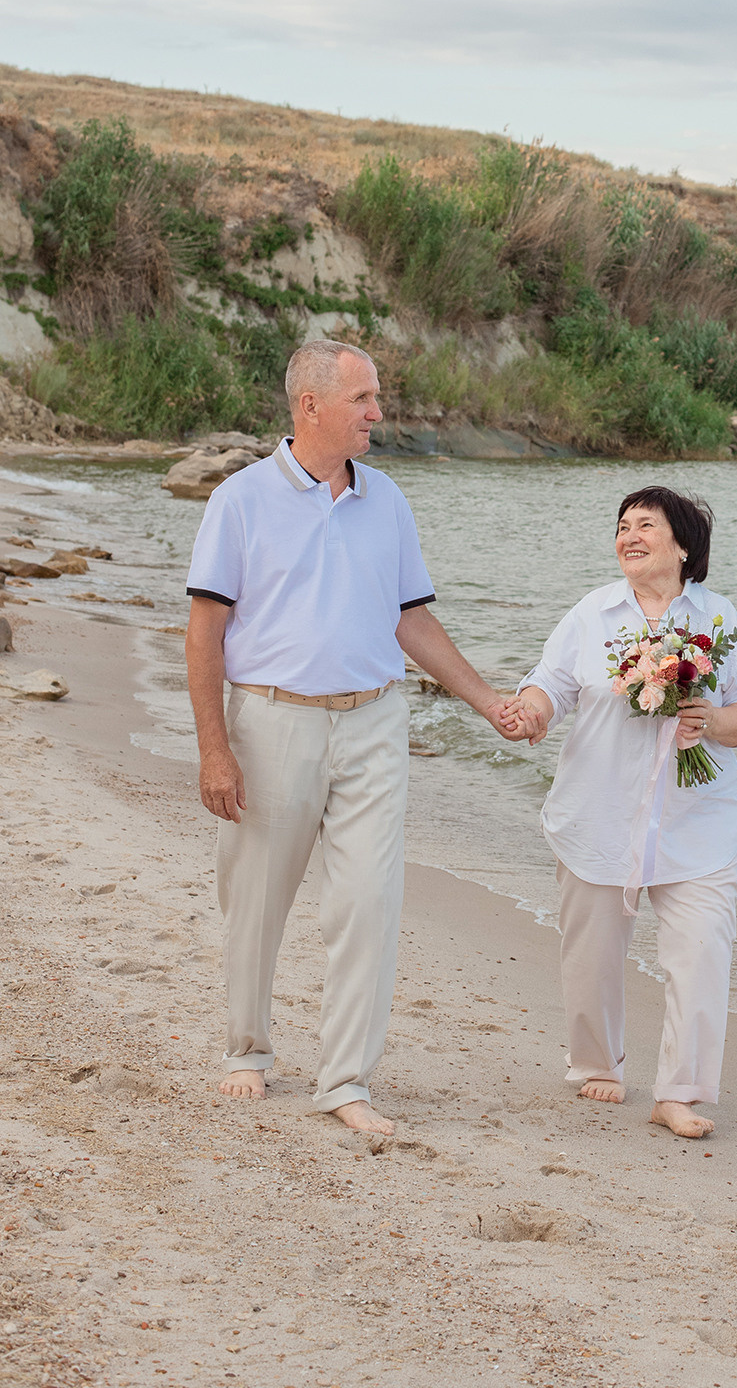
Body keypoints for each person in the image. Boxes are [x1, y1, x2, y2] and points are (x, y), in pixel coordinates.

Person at [185, 339, 535, 1134]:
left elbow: (411, 618)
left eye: (377, 397)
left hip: (376, 722)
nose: (379, 412)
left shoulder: (389, 502)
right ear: (311, 406)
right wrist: (215, 747)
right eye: (365, 399)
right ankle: (247, 1049)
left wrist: (488, 701)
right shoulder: (239, 501)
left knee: (370, 902)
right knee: (256, 900)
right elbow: (205, 633)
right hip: (273, 720)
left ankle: (346, 1082)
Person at [504, 486, 737, 1139]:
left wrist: (708, 720)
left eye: (646, 525)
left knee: (702, 952)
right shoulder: (593, 614)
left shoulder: (718, 618)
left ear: (683, 544)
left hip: (698, 818)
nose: (629, 536)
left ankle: (680, 1093)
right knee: (590, 956)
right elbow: (552, 683)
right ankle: (597, 1061)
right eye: (622, 526)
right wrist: (531, 710)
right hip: (600, 811)